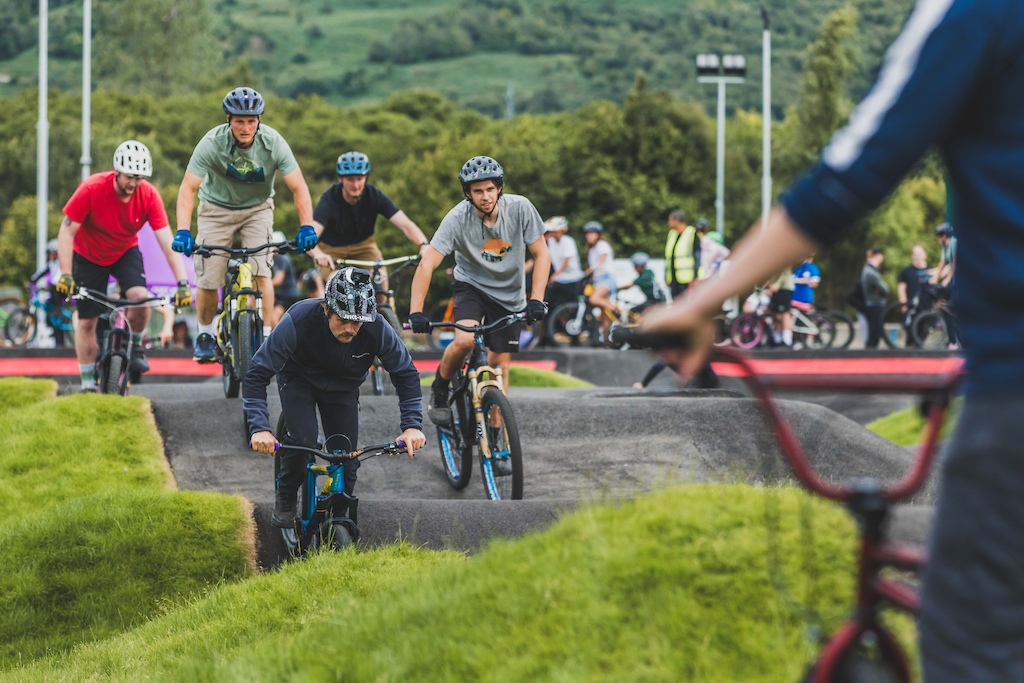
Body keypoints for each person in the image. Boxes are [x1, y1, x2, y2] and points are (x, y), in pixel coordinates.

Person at [642, 3, 1024, 677]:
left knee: (974, 640)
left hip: (1012, 394)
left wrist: (700, 304)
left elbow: (850, 172)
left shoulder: (974, 14)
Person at [245, 267, 426, 528]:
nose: (351, 329)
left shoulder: (376, 327)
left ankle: (337, 522)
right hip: (299, 379)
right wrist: (259, 428)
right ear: (327, 308)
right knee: (302, 439)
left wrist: (411, 426)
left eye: (358, 322)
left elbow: (406, 373)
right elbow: (257, 373)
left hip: (343, 388)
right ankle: (285, 493)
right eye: (343, 319)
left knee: (346, 462)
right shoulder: (298, 320)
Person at [172, 87, 317, 364]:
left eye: (251, 120)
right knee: (209, 277)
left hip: (257, 210)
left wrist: (306, 226)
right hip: (215, 209)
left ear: (259, 119)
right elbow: (187, 189)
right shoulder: (211, 143)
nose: (246, 127)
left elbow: (299, 188)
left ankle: (265, 336)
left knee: (262, 272)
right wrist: (182, 230)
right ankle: (205, 336)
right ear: (228, 118)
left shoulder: (273, 143)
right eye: (239, 120)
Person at [406, 155, 550, 425]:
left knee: (498, 367)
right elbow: (427, 264)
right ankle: (440, 387)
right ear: (468, 194)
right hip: (471, 286)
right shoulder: (457, 219)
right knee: (464, 341)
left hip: (510, 294)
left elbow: (542, 254)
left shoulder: (521, 208)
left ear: (499, 188)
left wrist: (536, 300)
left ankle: (498, 437)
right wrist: (416, 311)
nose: (485, 196)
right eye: (478, 191)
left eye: (490, 189)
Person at [53, 140, 191, 392]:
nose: (134, 184)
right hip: (88, 255)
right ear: (116, 172)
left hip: (125, 251)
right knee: (87, 322)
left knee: (140, 299)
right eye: (130, 177)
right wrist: (65, 274)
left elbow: (165, 240)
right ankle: (86, 385)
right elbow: (66, 233)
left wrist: (182, 282)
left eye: (139, 178)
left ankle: (136, 345)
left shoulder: (148, 195)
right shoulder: (91, 188)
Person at [305, 151, 431, 304]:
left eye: (359, 179)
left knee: (381, 279)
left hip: (364, 247)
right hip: (331, 251)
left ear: (366, 178)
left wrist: (424, 244)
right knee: (337, 283)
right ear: (340, 179)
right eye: (350, 179)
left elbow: (406, 225)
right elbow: (311, 236)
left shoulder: (374, 196)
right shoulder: (329, 199)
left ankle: (383, 317)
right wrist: (318, 253)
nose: (356, 184)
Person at [582, 221, 618, 340]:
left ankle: (615, 309)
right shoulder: (591, 249)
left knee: (594, 299)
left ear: (598, 234)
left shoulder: (601, 244)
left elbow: (603, 257)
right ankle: (606, 338)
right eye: (588, 233)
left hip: (607, 278)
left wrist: (593, 268)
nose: (589, 236)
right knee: (604, 312)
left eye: (592, 233)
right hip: (599, 280)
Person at [664, 210, 701, 298]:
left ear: (676, 220)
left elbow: (698, 256)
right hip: (673, 278)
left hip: (687, 279)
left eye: (670, 220)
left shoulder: (692, 233)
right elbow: (669, 258)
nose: (668, 223)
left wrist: (695, 276)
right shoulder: (672, 234)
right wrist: (666, 277)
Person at [270, 230, 302, 326]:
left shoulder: (282, 258)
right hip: (283, 294)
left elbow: (279, 279)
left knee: (273, 319)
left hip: (289, 295)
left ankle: (277, 340)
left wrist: (263, 285)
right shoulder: (276, 259)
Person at [861, 248, 889, 348]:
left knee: (875, 332)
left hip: (874, 304)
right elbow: (884, 289)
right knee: (874, 333)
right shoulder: (870, 272)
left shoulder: (871, 271)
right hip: (874, 305)